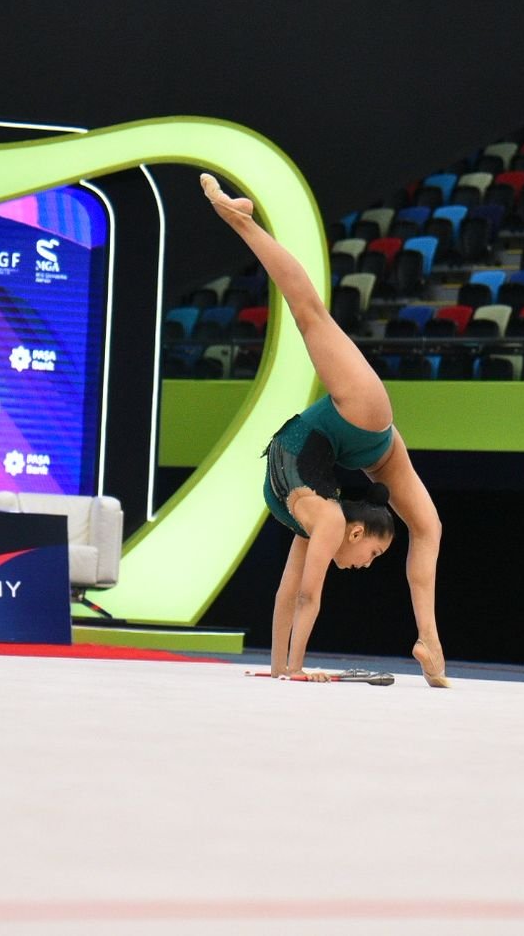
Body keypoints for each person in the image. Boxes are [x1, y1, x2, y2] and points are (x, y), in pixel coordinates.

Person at [200, 173, 449, 687]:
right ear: (357, 532)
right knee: (310, 314)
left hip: (366, 448)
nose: (366, 565)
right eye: (373, 554)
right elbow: (307, 595)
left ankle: (430, 640)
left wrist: (282, 670)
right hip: (365, 416)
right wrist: (295, 671)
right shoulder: (330, 517)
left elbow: (290, 592)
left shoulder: (320, 518)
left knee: (429, 527)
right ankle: (239, 221)